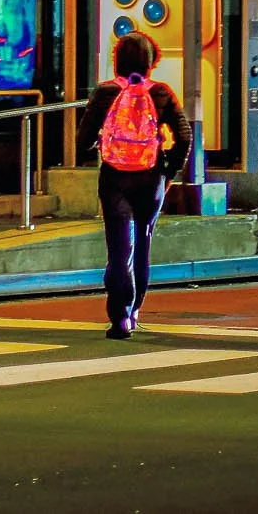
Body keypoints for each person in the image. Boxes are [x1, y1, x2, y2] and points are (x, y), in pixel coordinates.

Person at [76, 33, 192, 340]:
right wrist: (169, 172)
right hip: (151, 177)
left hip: (114, 177)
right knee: (142, 244)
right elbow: (184, 136)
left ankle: (120, 318)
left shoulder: (105, 92)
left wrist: (98, 146)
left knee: (118, 250)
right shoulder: (162, 94)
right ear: (151, 61)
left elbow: (82, 139)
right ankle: (135, 309)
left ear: (117, 60)